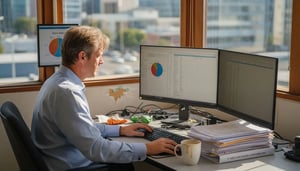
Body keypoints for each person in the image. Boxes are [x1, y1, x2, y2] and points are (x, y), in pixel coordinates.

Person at [31, 25, 177, 171]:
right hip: (71, 166)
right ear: (82, 57)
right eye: (99, 55)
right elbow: (95, 148)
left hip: (62, 160)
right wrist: (148, 148)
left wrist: (120, 130)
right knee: (126, 167)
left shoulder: (56, 82)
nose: (102, 61)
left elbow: (82, 128)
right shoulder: (67, 93)